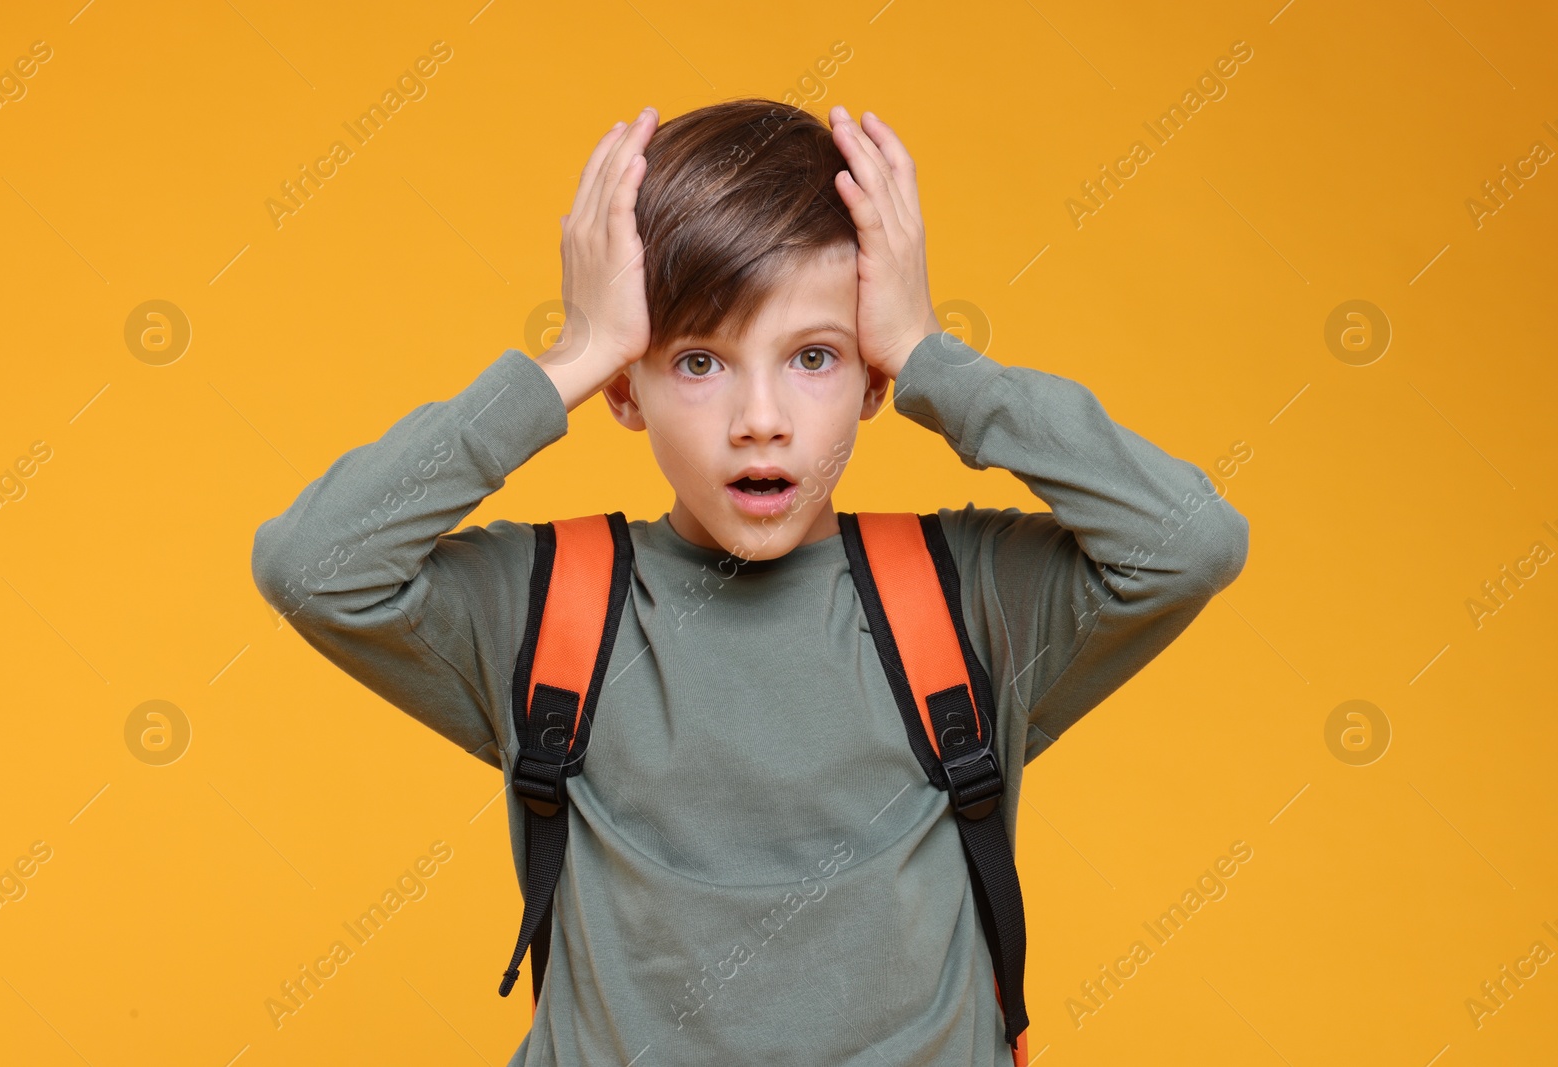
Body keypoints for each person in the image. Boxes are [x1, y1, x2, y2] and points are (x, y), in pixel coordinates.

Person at [250, 97, 1250, 1066]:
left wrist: (928, 353)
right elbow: (314, 564)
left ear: (870, 380)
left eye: (812, 355)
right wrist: (572, 352)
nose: (759, 417)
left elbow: (1187, 541)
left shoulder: (964, 603)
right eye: (698, 361)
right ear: (625, 389)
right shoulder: (552, 608)